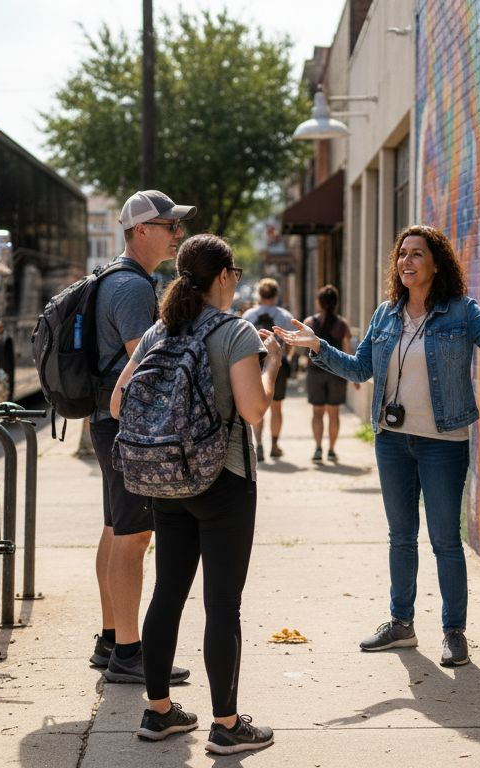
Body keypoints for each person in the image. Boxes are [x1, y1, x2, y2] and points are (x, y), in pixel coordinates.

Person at [276, 225, 480, 667]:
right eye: (402, 254)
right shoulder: (385, 315)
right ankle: (401, 624)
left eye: (416, 254)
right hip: (393, 441)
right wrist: (317, 347)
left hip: (443, 443)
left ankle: (454, 632)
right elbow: (360, 370)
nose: (406, 262)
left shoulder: (460, 312)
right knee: (401, 536)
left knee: (444, 540)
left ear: (436, 263)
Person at [111, 233, 280, 754]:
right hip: (223, 480)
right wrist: (271, 363)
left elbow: (119, 403)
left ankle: (159, 712)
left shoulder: (162, 329)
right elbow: (254, 412)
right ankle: (227, 725)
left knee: (167, 594)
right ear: (226, 277)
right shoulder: (236, 332)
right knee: (222, 605)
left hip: (165, 480)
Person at [89, 190, 194, 686]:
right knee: (134, 537)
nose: (177, 232)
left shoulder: (119, 278)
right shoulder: (131, 288)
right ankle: (129, 653)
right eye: (169, 224)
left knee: (116, 529)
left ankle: (112, 638)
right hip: (124, 424)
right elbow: (145, 360)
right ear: (141, 230)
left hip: (107, 421)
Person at [241, 278, 297, 461]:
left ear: (259, 294)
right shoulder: (284, 315)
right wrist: (286, 358)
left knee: (257, 406)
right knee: (277, 408)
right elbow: (291, 343)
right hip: (277, 366)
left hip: (255, 366)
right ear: (276, 294)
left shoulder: (248, 315)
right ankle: (274, 445)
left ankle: (259, 445)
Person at [303, 284, 358, 463]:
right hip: (337, 374)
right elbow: (348, 351)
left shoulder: (309, 323)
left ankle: (318, 449)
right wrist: (354, 375)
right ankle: (332, 450)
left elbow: (304, 350)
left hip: (315, 373)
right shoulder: (342, 324)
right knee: (334, 413)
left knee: (317, 413)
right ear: (336, 303)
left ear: (319, 302)